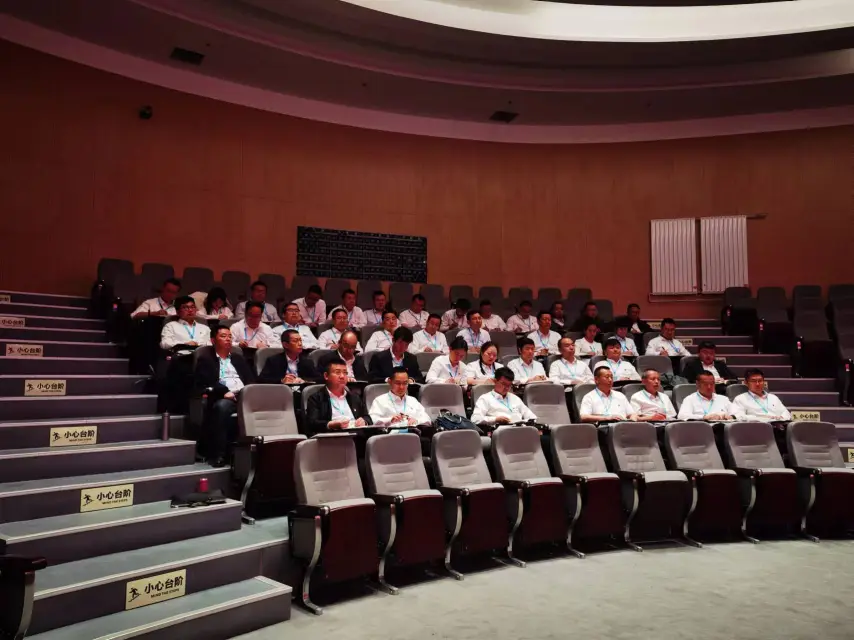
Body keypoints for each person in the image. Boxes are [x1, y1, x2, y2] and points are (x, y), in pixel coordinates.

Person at [194, 325, 255, 466]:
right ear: (213, 340)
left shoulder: (238, 358)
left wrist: (250, 392)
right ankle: (219, 454)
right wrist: (223, 392)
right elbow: (206, 381)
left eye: (230, 336)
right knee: (222, 407)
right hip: (224, 396)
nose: (228, 339)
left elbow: (250, 379)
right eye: (223, 336)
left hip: (245, 395)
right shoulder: (206, 359)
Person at [304, 358, 372, 436]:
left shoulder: (354, 397)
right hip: (331, 437)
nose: (342, 376)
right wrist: (330, 424)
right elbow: (312, 423)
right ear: (326, 376)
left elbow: (368, 418)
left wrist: (364, 421)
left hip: (356, 436)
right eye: (337, 372)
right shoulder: (316, 398)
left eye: (345, 373)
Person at [471, 368, 537, 425]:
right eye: (503, 384)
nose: (506, 388)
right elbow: (475, 419)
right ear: (495, 381)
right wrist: (495, 419)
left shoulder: (515, 398)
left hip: (520, 429)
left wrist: (529, 421)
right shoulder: (485, 398)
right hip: (501, 430)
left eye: (509, 385)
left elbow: (531, 416)